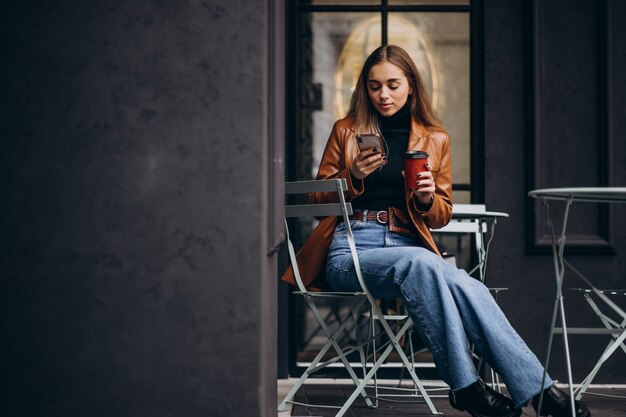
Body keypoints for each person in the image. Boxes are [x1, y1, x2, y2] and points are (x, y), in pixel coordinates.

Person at [286, 45, 591, 417]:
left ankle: (539, 391)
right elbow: (318, 201)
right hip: (351, 250)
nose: (383, 94)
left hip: (408, 245)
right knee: (423, 263)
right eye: (374, 86)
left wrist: (428, 199)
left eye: (393, 85)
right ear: (364, 89)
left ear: (411, 85)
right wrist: (353, 176)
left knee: (468, 284)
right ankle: (465, 385)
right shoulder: (346, 131)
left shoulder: (435, 138)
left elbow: (442, 213)